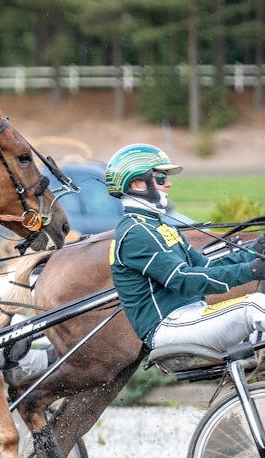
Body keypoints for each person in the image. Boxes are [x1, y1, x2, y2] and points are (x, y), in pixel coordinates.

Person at [108, 142, 265, 353]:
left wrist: (254, 251)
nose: (169, 184)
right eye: (161, 178)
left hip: (192, 317)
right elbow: (183, 280)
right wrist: (252, 271)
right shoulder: (136, 233)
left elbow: (208, 265)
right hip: (168, 326)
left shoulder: (158, 227)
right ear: (137, 184)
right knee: (254, 306)